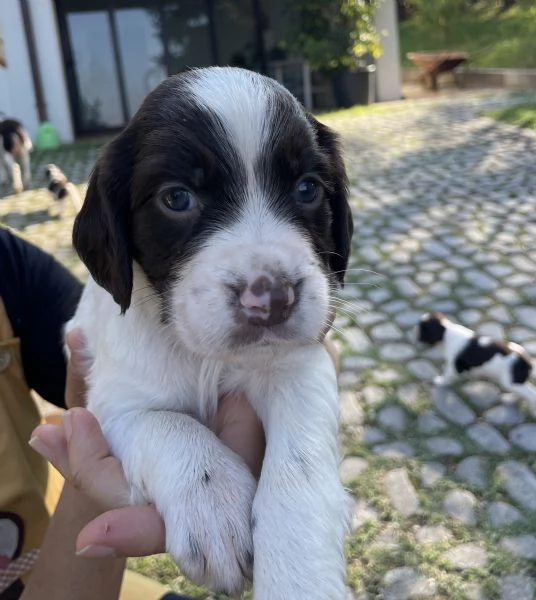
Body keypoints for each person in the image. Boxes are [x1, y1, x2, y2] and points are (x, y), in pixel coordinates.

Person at [0, 225, 339, 600]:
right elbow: (114, 407)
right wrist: (174, 453)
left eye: (307, 189)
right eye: (178, 199)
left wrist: (300, 378)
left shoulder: (9, 266)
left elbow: (89, 352)